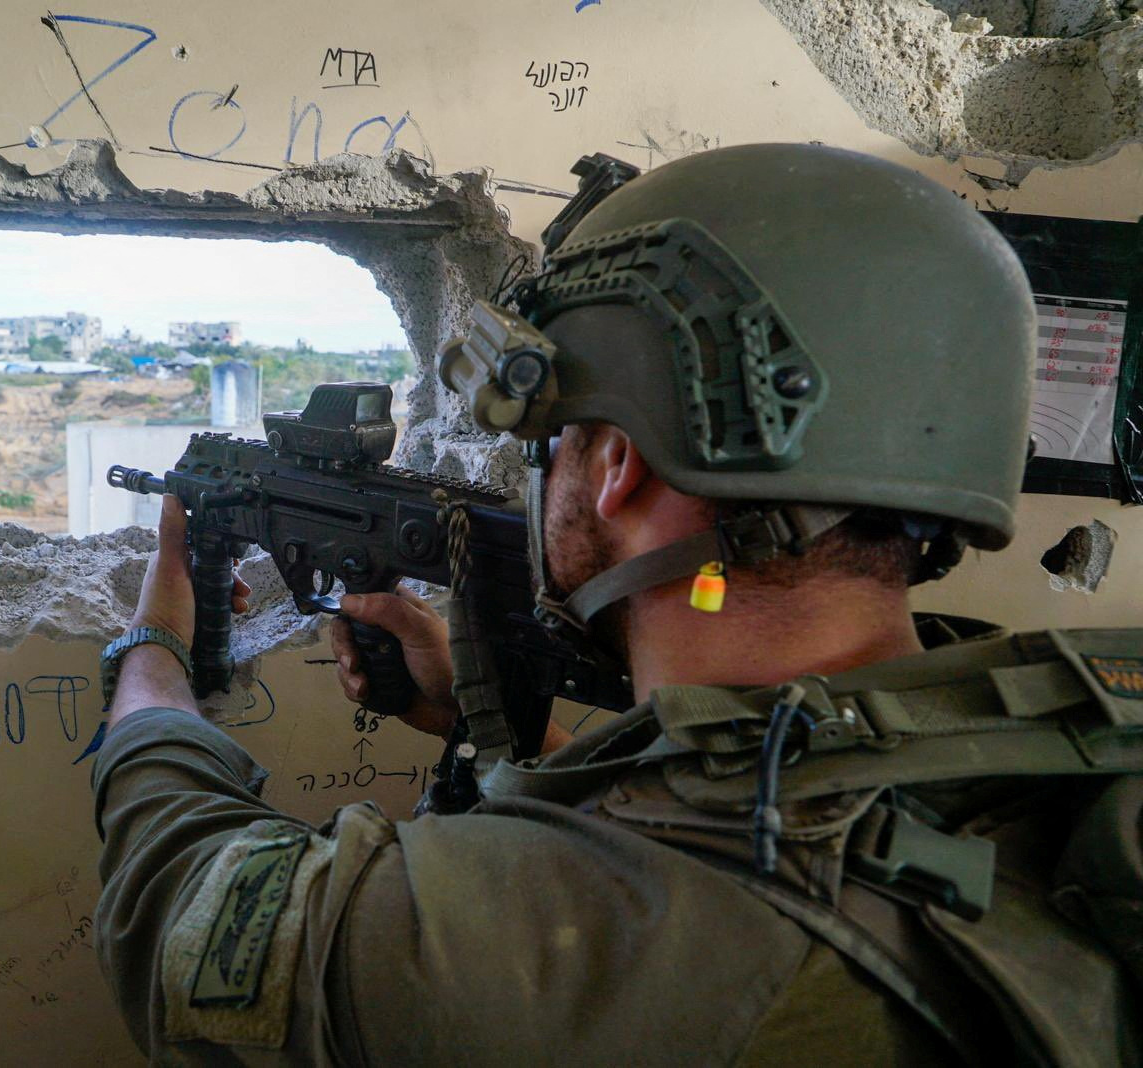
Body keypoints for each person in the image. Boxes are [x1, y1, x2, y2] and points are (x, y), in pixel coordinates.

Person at [91, 143, 1143, 1065]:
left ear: (616, 471)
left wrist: (155, 643)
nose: (537, 474)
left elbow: (173, 910)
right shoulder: (1063, 737)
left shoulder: (549, 951)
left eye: (554, 441)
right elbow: (743, 817)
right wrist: (493, 721)